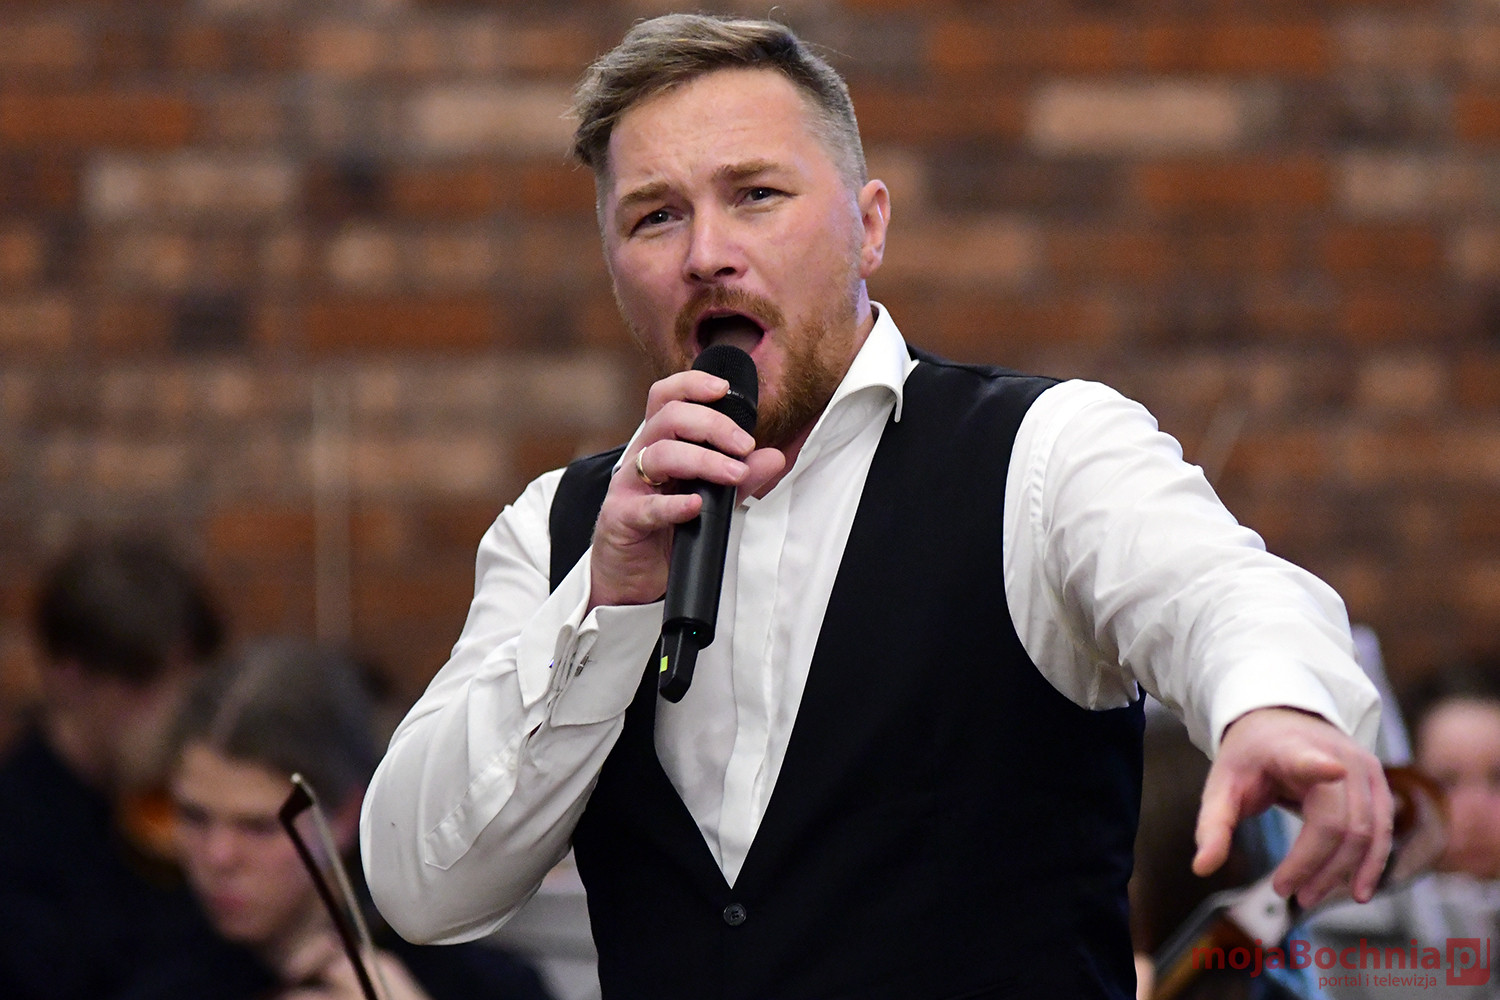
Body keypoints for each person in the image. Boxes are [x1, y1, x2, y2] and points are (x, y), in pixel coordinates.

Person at [361, 14, 1392, 999]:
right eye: (656, 215)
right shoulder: (556, 528)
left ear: (869, 228)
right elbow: (418, 885)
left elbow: (1219, 589)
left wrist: (1275, 707)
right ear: (616, 270)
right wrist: (606, 600)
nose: (705, 252)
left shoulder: (1041, 454)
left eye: (756, 194)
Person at [161, 637, 555, 1000]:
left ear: (345, 816)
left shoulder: (478, 981)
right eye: (194, 817)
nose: (218, 856)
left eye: (259, 827)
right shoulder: (153, 962)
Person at [0, 533, 234, 1000]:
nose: (174, 713)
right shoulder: (17, 835)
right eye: (146, 685)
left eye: (188, 687)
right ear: (70, 678)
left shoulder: (184, 800)